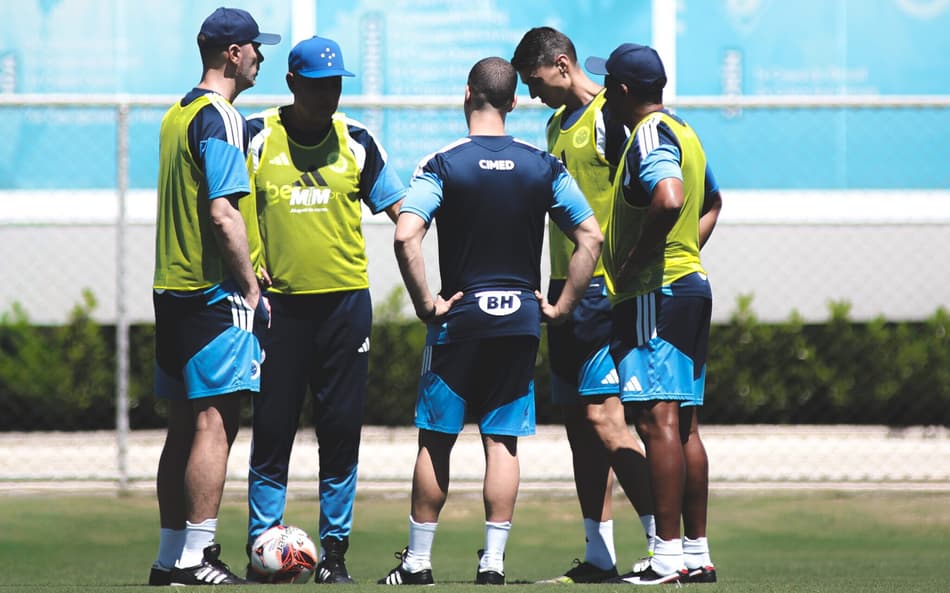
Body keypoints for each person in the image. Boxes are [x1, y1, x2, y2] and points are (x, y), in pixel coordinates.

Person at [378, 57, 603, 586]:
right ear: (513, 102)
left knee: (436, 438)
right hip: (520, 319)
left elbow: (406, 234)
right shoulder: (542, 165)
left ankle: (417, 563)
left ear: (467, 94)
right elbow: (590, 236)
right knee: (501, 442)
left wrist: (426, 303)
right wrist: (561, 305)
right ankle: (494, 562)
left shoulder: (442, 163)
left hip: (460, 319)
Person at [243, 35, 405, 584]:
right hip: (277, 311)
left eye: (336, 85)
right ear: (292, 83)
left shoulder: (357, 141)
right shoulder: (256, 137)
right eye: (317, 86)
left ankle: (333, 554)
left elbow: (401, 210)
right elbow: (222, 206)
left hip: (344, 308)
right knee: (272, 429)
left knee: (339, 432)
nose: (329, 95)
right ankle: (264, 544)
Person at [511, 27, 655, 584]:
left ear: (564, 65)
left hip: (602, 292)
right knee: (578, 426)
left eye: (537, 80)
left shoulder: (610, 119)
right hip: (561, 289)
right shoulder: (553, 126)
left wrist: (630, 267)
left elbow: (652, 193)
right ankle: (599, 556)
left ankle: (663, 546)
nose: (532, 92)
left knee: (606, 419)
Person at [148, 6, 279, 587]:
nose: (260, 56)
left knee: (183, 426)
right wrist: (251, 287)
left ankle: (169, 557)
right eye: (255, 47)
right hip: (212, 296)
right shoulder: (222, 116)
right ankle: (199, 556)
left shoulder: (177, 114)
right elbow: (224, 214)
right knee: (214, 425)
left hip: (171, 291)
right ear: (233, 53)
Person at [585, 43, 723, 585]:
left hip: (655, 295)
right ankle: (695, 553)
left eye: (607, 86)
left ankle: (666, 557)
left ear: (621, 91)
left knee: (655, 421)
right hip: (687, 288)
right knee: (684, 424)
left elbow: (669, 197)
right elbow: (710, 202)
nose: (602, 96)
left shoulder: (648, 135)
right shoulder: (685, 131)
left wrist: (641, 260)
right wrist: (686, 252)